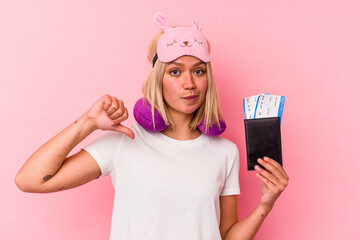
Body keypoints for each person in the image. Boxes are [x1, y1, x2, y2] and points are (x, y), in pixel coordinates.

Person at [15, 12, 289, 240]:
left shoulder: (225, 152)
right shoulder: (125, 141)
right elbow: (29, 181)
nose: (189, 84)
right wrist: (87, 123)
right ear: (158, 79)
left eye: (198, 70)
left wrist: (266, 203)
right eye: (175, 71)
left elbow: (227, 235)